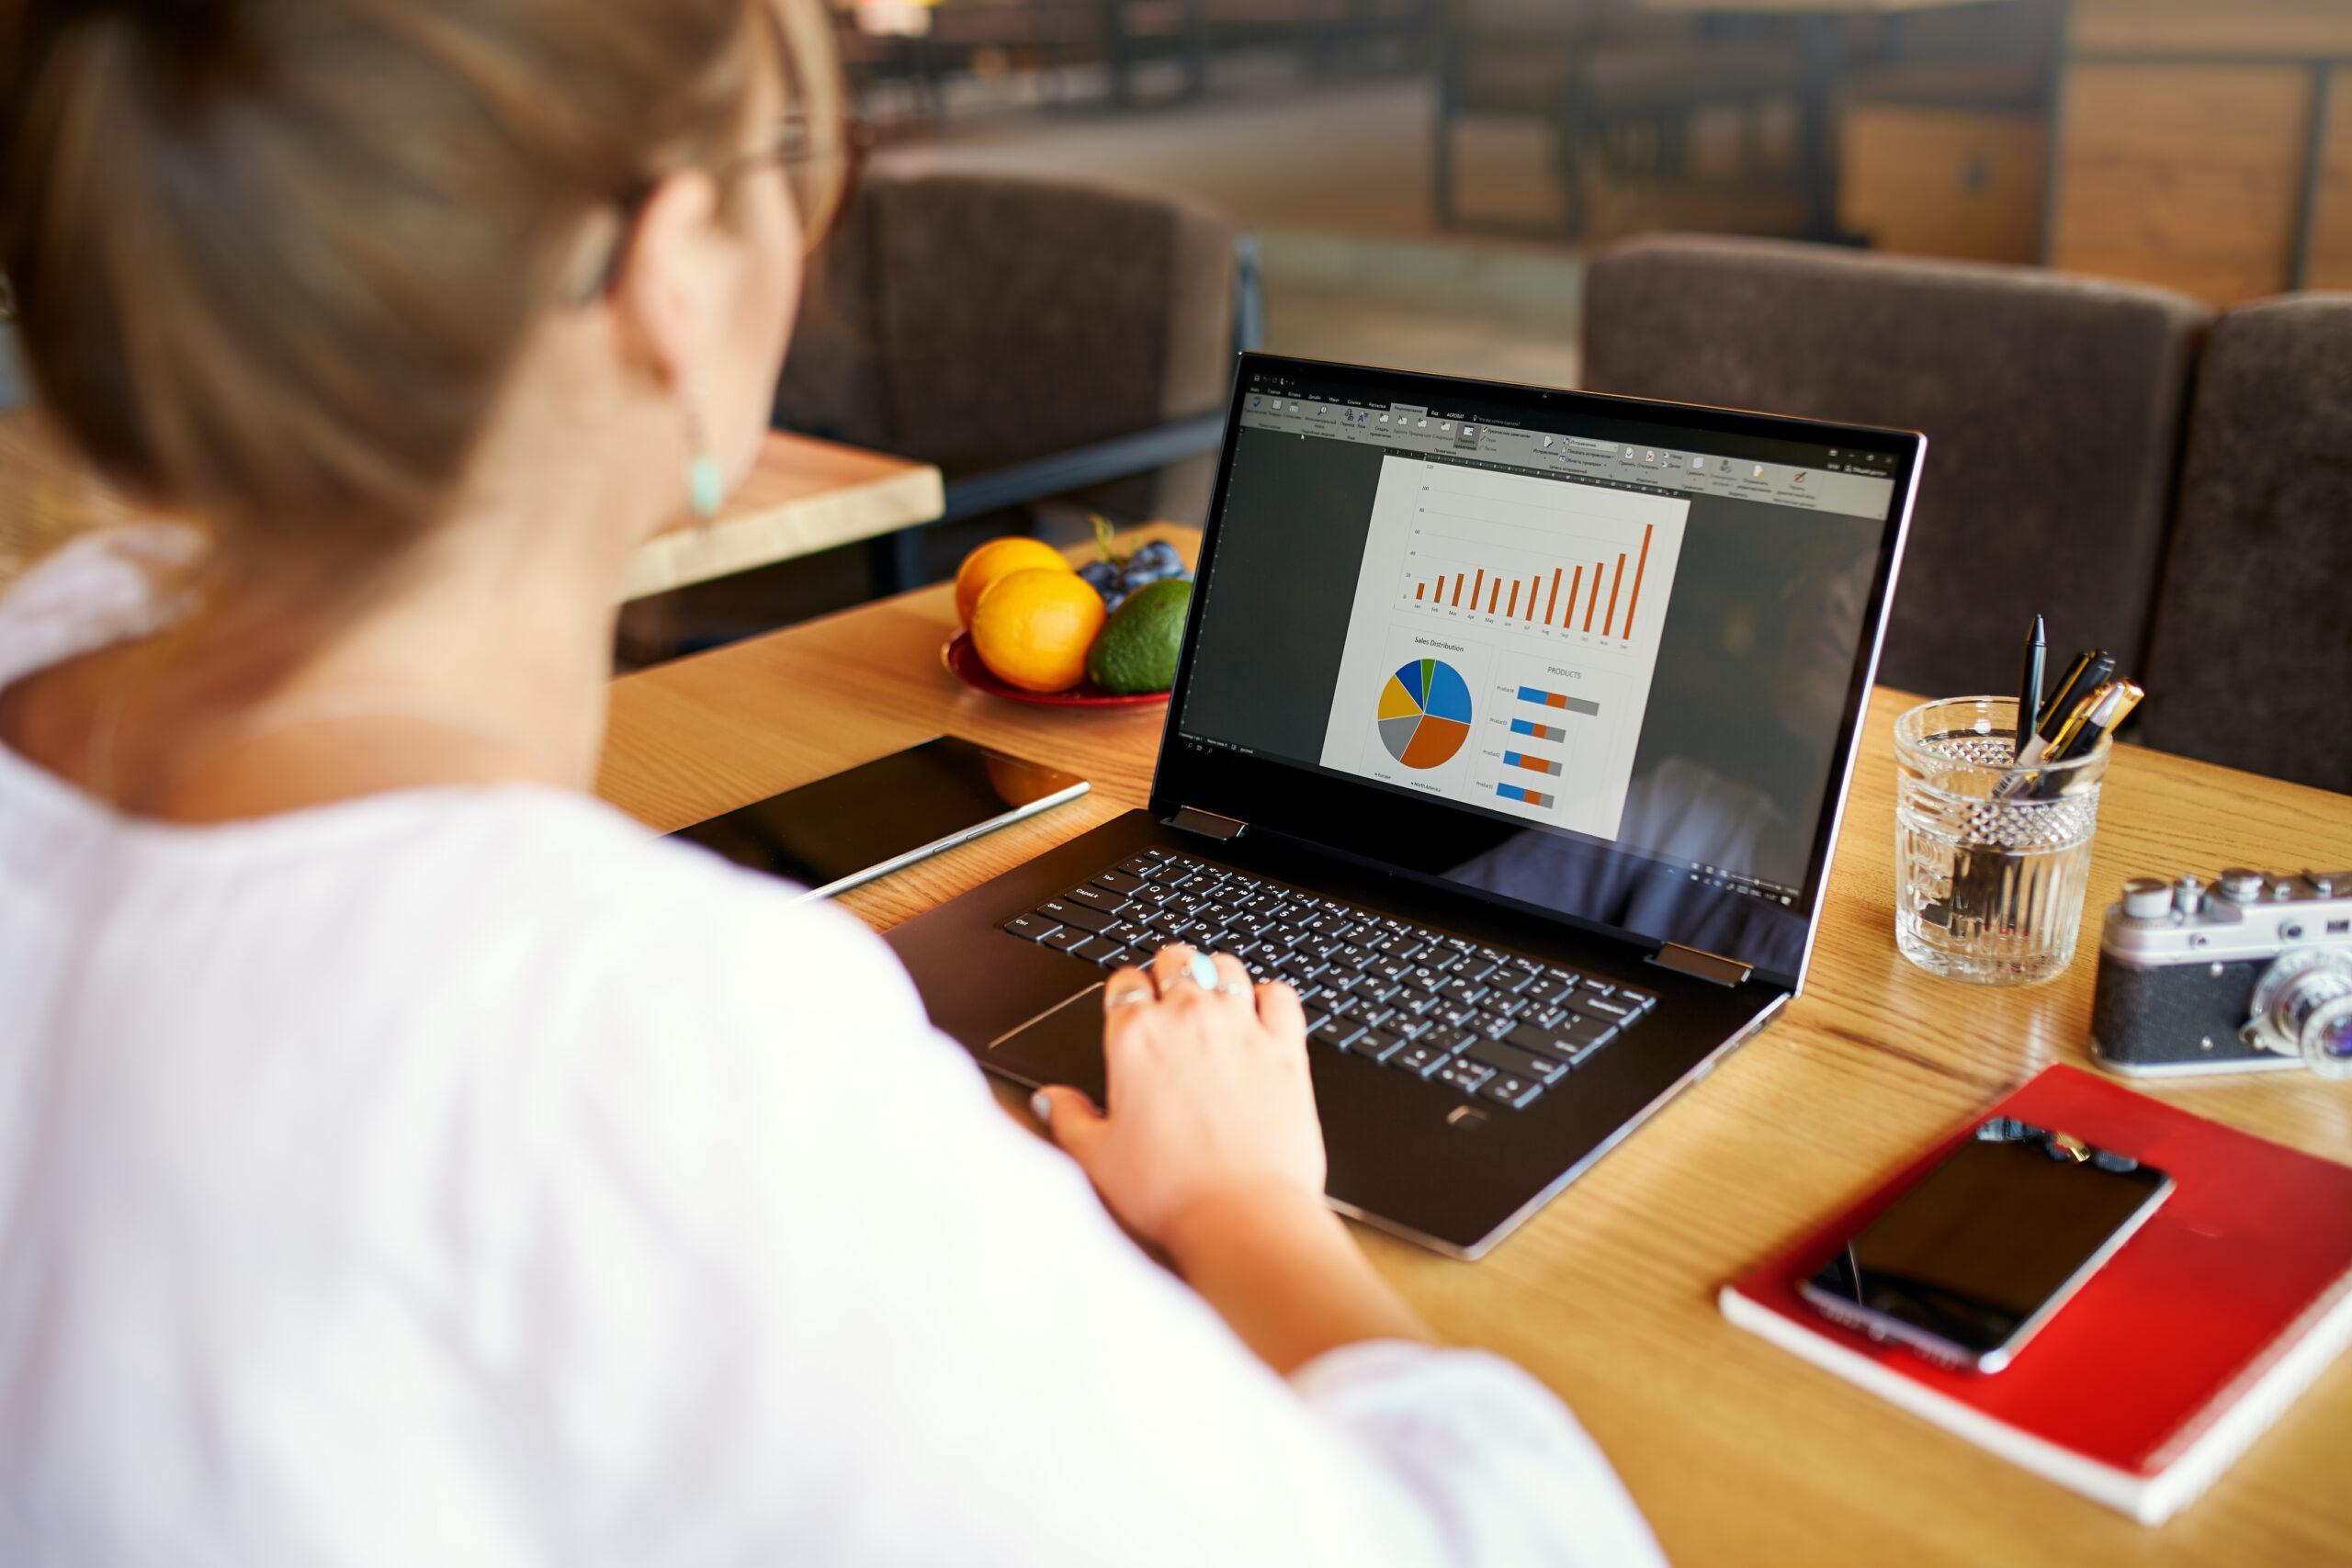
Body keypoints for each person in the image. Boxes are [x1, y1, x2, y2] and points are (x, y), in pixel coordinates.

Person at [0, 1, 1664, 1562]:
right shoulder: (638, 1035)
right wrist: (1246, 1207)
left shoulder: (53, 642)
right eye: (803, 175)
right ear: (673, 270)